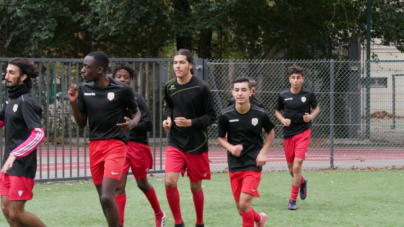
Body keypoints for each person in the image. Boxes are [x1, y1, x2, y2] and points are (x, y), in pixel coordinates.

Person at [68, 51, 141, 227]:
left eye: (87, 66)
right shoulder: (84, 90)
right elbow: (81, 123)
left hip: (116, 145)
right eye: (83, 66)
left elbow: (137, 111)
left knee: (108, 196)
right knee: (103, 199)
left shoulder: (121, 89)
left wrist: (132, 124)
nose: (82, 70)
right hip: (95, 146)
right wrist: (73, 102)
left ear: (100, 69)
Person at [162, 49, 216, 227]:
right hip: (176, 141)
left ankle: (199, 222)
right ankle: (178, 223)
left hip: (196, 144)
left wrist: (191, 122)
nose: (177, 66)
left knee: (195, 187)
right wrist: (168, 119)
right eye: (175, 62)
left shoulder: (201, 87)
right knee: (169, 182)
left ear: (190, 65)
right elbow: (169, 106)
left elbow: (211, 117)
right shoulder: (169, 86)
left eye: (182, 62)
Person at [112, 63, 165, 227]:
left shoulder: (136, 98)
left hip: (137, 145)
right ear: (114, 78)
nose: (122, 80)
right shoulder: (110, 98)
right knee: (118, 186)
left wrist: (132, 125)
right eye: (119, 77)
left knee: (142, 184)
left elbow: (148, 125)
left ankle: (159, 213)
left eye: (126, 77)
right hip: (119, 145)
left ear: (131, 80)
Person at [217, 77, 275, 227]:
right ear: (232, 93)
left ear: (251, 92)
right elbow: (221, 138)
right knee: (241, 208)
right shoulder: (225, 115)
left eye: (244, 90)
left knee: (244, 205)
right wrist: (231, 148)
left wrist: (263, 152)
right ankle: (260, 219)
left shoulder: (260, 113)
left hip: (253, 163)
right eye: (237, 90)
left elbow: (271, 132)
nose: (240, 93)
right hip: (235, 164)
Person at [0, 58, 46, 226]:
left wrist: (15, 155)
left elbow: (38, 134)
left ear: (23, 77)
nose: (6, 76)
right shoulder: (11, 98)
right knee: (6, 209)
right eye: (7, 72)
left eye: (12, 73)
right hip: (8, 164)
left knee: (15, 212)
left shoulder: (26, 102)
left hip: (21, 164)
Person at [274, 64, 320, 210]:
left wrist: (311, 116)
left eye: (298, 78)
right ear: (289, 79)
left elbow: (317, 108)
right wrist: (282, 120)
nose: (295, 80)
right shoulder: (283, 95)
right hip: (288, 134)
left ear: (302, 80)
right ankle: (302, 182)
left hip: (303, 133)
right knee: (291, 169)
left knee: (297, 164)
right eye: (293, 78)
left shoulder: (308, 94)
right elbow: (277, 111)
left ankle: (292, 200)